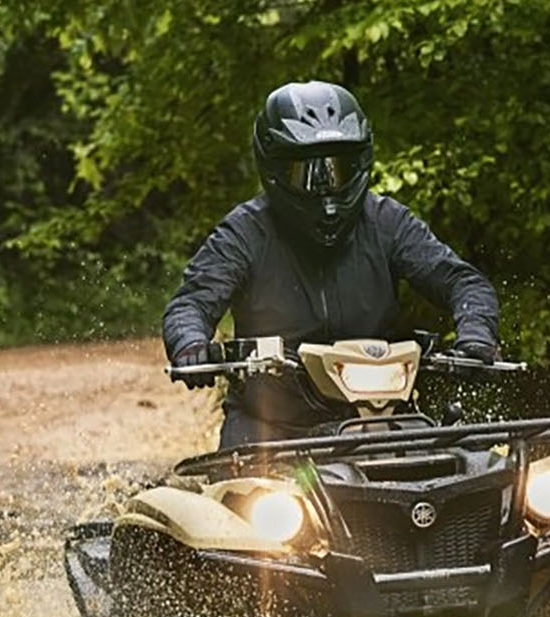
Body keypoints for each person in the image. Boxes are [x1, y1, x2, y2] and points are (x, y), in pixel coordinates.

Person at [162, 80, 501, 449]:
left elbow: (463, 283)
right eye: (304, 173)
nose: (324, 188)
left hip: (379, 421)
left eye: (337, 170)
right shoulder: (244, 233)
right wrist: (190, 343)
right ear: (273, 169)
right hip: (271, 429)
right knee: (233, 500)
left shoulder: (387, 222)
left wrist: (476, 336)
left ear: (361, 163)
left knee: (465, 477)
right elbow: (191, 303)